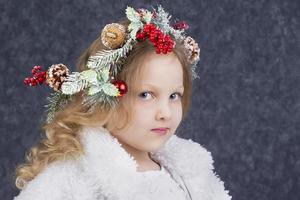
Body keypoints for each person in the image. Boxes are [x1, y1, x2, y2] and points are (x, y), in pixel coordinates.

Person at [13, 5, 232, 200]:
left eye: (174, 96)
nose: (165, 112)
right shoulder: (73, 179)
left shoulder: (190, 173)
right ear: (105, 97)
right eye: (146, 95)